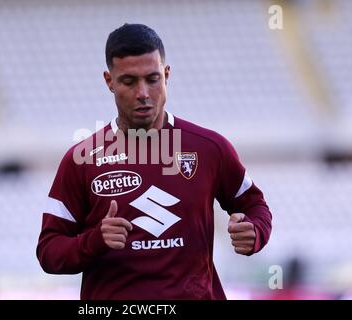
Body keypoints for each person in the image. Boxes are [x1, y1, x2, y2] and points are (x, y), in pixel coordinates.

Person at [36, 23, 272, 299]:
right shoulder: (82, 159)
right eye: (129, 81)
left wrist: (255, 232)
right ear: (109, 81)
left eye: (152, 78)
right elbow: (48, 252)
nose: (143, 93)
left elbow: (254, 204)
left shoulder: (209, 148)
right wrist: (95, 241)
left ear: (167, 74)